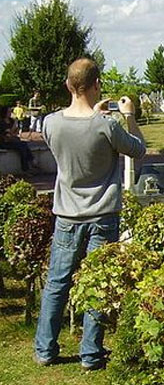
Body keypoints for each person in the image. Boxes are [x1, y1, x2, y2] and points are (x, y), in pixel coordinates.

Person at [34, 58, 146, 371]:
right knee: (100, 283)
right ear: (96, 85)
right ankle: (90, 353)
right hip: (103, 214)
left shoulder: (50, 122)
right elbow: (138, 149)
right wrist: (130, 117)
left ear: (69, 86)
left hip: (68, 214)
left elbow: (69, 142)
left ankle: (45, 349)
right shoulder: (106, 125)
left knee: (57, 283)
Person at [0, 106, 35, 173]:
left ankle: (30, 163)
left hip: (12, 139)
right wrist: (15, 124)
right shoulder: (2, 122)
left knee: (24, 145)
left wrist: (14, 132)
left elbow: (15, 132)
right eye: (9, 112)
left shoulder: (11, 120)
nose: (10, 113)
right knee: (22, 147)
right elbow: (8, 132)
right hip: (5, 141)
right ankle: (27, 167)